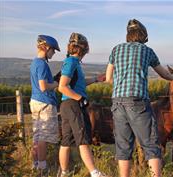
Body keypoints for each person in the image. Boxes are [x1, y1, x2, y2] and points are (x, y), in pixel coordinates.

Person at [105, 19, 173, 177]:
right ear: (143, 36)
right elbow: (165, 74)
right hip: (138, 102)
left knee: (124, 148)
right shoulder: (147, 51)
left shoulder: (116, 49)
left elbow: (108, 78)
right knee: (151, 146)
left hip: (117, 103)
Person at [57, 32, 108, 177]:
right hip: (73, 104)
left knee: (66, 141)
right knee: (83, 138)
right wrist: (81, 99)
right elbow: (62, 86)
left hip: (66, 105)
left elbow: (77, 83)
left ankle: (64, 173)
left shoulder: (72, 63)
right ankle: (95, 172)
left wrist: (96, 79)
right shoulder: (71, 62)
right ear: (84, 49)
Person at [30, 35, 60, 175]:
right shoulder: (42, 63)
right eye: (53, 50)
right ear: (47, 48)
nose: (53, 53)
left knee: (36, 135)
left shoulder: (35, 62)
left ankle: (35, 164)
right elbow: (43, 86)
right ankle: (42, 167)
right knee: (44, 136)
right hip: (45, 102)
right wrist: (56, 84)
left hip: (35, 101)